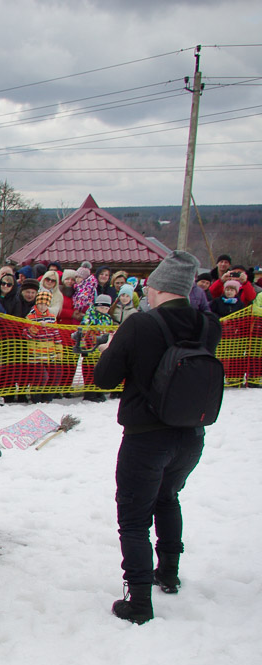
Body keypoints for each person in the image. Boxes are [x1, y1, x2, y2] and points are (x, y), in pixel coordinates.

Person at [94, 250, 221, 624]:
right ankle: (168, 572)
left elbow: (104, 378)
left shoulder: (140, 325)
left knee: (134, 519)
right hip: (191, 434)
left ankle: (139, 602)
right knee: (168, 498)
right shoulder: (209, 325)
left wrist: (112, 347)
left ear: (160, 286)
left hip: (146, 436)